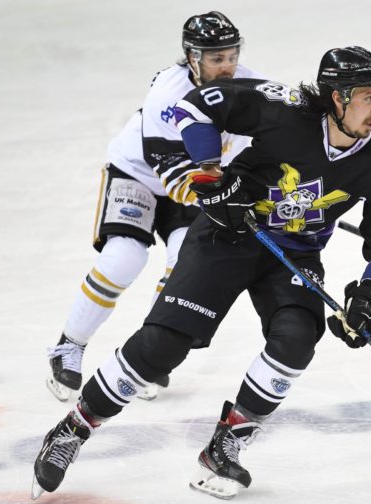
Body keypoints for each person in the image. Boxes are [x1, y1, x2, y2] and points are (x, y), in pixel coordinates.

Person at [31, 45, 371, 501]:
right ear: (338, 97)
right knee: (162, 346)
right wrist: (211, 175)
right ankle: (73, 429)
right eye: (368, 97)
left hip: (293, 254)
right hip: (225, 236)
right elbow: (194, 107)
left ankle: (226, 445)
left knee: (296, 340)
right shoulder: (284, 110)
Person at [45, 11, 263, 402]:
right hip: (140, 175)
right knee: (123, 257)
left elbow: (268, 142)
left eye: (232, 56)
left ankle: (145, 354)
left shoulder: (250, 86)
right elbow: (170, 169)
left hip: (202, 182)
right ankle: (69, 345)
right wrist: (225, 198)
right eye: (217, 58)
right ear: (193, 58)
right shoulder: (167, 90)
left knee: (183, 264)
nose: (227, 66)